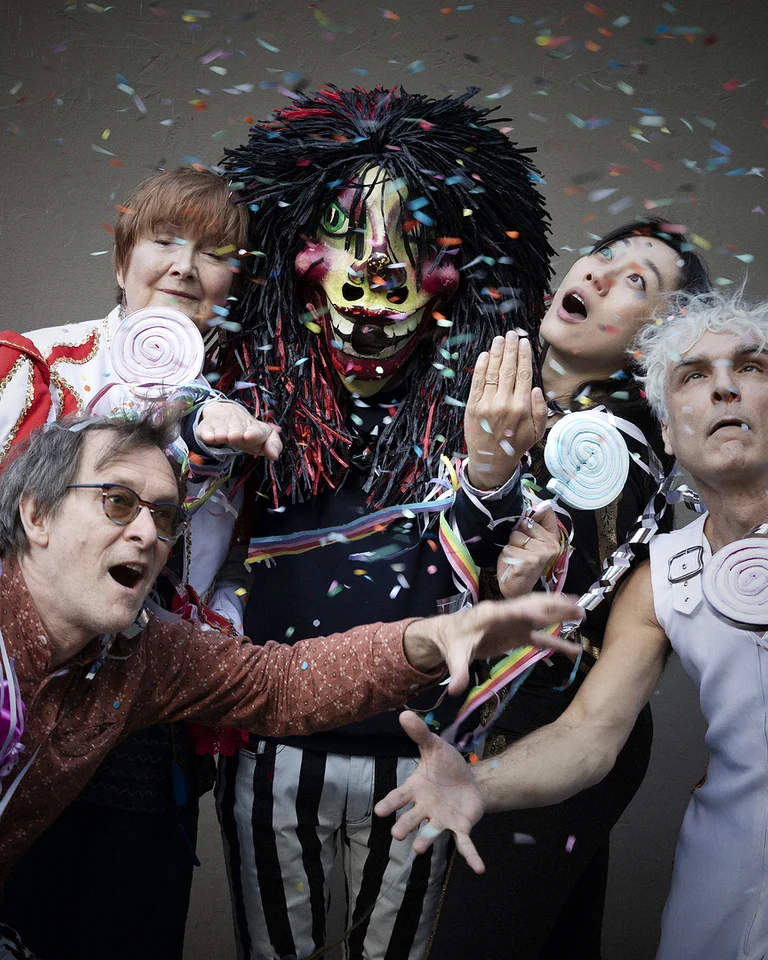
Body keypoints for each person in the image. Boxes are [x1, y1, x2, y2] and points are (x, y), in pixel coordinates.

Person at [0, 410, 582, 960]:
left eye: (166, 517)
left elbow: (280, 685)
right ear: (37, 515)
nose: (149, 535)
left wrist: (436, 635)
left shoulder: (144, 653)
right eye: (118, 502)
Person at [213, 85, 553, 960]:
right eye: (342, 230)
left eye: (418, 238)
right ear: (290, 248)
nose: (376, 275)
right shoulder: (246, 411)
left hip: (417, 766)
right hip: (270, 749)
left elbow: (495, 602)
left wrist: (490, 468)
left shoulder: (498, 423)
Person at [375, 289, 768, 960]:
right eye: (694, 376)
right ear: (667, 431)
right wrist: (478, 783)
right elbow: (589, 736)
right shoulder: (662, 575)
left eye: (753, 368)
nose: (726, 388)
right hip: (722, 879)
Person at [0, 166, 281, 960]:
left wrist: (212, 630)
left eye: (215, 251)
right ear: (124, 258)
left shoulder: (241, 421)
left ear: (234, 284)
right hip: (19, 722)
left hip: (152, 743)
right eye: (165, 240)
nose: (186, 266)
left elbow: (236, 569)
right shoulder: (34, 367)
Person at [425, 220, 711, 959]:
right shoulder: (487, 396)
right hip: (484, 730)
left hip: (546, 732)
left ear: (653, 345)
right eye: (604, 257)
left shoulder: (622, 454)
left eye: (638, 282)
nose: (605, 275)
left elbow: (545, 635)